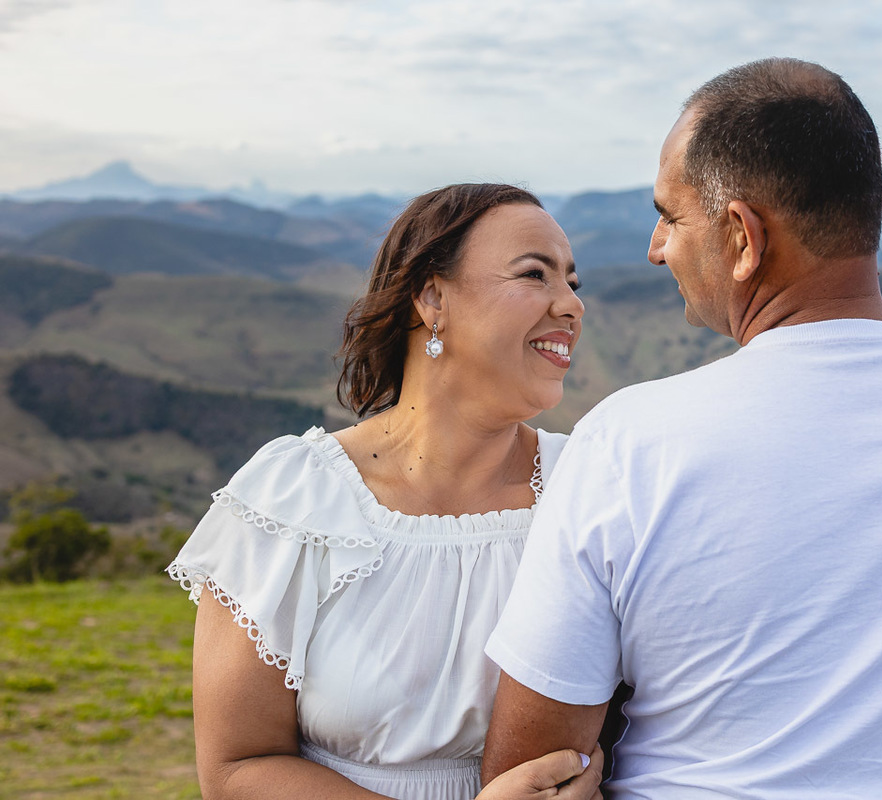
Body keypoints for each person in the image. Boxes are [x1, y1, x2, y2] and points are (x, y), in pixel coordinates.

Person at [481, 58, 882, 800]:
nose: (657, 248)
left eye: (671, 216)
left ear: (744, 238)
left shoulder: (630, 443)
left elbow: (532, 771)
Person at [168, 183, 603, 800]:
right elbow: (236, 768)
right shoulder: (293, 500)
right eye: (535, 275)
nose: (570, 305)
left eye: (573, 283)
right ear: (431, 297)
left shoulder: (590, 487)